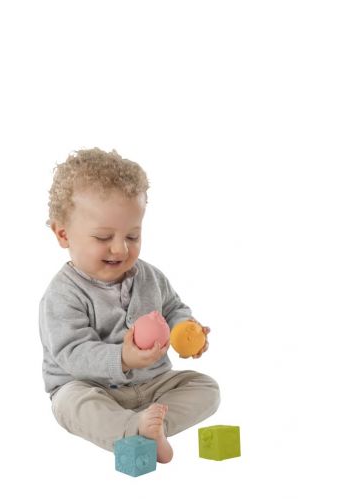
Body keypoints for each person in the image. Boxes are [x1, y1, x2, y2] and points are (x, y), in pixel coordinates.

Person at [39, 147, 220, 463]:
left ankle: (153, 426)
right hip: (92, 388)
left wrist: (185, 329)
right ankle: (133, 428)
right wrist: (122, 358)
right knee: (70, 404)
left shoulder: (150, 276)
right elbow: (73, 353)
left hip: (152, 385)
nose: (120, 249)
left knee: (206, 388)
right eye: (103, 237)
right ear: (63, 234)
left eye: (133, 236)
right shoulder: (62, 295)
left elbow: (173, 308)